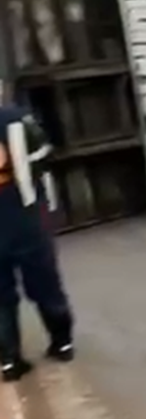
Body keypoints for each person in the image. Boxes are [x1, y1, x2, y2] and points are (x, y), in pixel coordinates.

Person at [0, 104, 74, 382]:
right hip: (24, 214)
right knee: (44, 282)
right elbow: (44, 153)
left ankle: (9, 360)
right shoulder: (17, 119)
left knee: (0, 295)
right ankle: (62, 343)